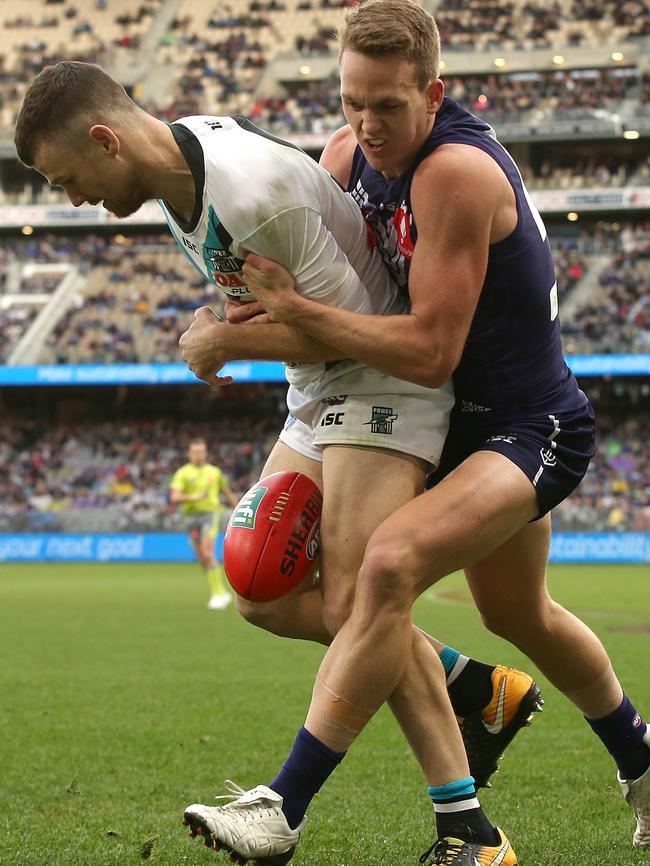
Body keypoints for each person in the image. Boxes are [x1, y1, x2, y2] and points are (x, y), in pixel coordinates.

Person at [14, 61, 525, 865]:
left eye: (63, 175)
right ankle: (470, 685)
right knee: (259, 589)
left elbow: (346, 324)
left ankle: (459, 827)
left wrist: (224, 338)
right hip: (317, 390)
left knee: (357, 606)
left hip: (381, 383)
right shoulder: (180, 168)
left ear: (105, 140)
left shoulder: (250, 193)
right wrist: (233, 319)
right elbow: (282, 305)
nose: (68, 196)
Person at [212, 0, 648, 855]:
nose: (366, 126)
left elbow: (429, 349)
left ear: (434, 92)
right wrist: (237, 316)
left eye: (389, 105)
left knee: (390, 568)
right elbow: (333, 299)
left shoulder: (457, 172)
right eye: (351, 102)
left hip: (525, 427)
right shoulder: (343, 157)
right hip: (438, 425)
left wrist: (281, 313)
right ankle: (477, 688)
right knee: (509, 611)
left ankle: (283, 805)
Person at [169, 437, 238, 610]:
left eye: (201, 452)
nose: (198, 455)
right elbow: (174, 497)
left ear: (205, 453)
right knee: (202, 558)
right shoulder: (183, 473)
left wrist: (238, 509)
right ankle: (220, 593)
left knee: (208, 553)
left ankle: (219, 594)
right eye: (195, 452)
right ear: (189, 454)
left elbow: (227, 492)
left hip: (209, 514)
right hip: (190, 518)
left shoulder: (215, 472)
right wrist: (193, 497)